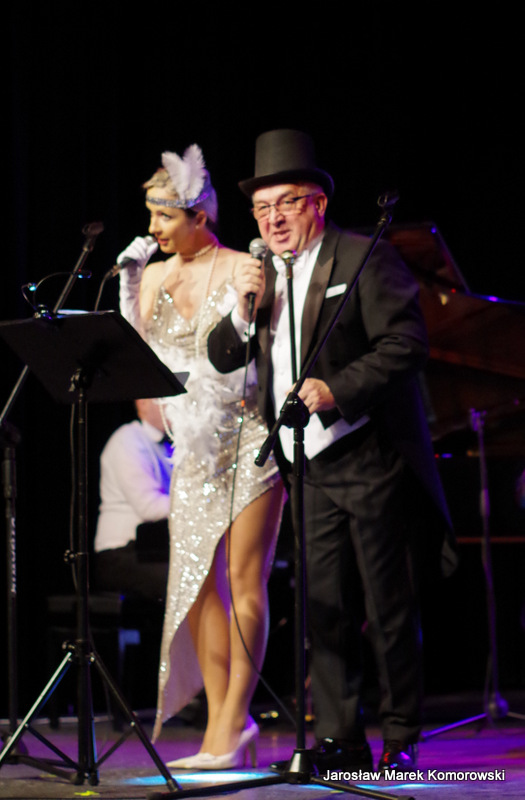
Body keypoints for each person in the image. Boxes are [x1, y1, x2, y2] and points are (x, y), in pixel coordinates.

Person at [208, 129, 457, 773]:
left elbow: (405, 345)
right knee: (325, 607)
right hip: (307, 467)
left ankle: (401, 738)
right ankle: (342, 738)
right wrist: (242, 310)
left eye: (287, 203)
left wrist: (335, 389)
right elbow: (223, 354)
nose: (273, 219)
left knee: (387, 606)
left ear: (318, 202)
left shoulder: (364, 256)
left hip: (370, 455)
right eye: (262, 209)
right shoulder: (262, 275)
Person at [118, 145, 284, 769]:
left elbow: (263, 353)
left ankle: (233, 723)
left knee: (243, 581)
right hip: (190, 449)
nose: (153, 227)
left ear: (198, 216)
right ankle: (221, 727)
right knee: (198, 588)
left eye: (164, 216)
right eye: (151, 215)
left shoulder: (243, 265)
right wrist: (129, 286)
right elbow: (136, 359)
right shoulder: (154, 276)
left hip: (247, 438)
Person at [94, 397, 172, 603]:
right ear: (142, 403)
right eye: (164, 399)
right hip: (120, 555)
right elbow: (150, 508)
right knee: (185, 580)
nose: (173, 404)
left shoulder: (168, 447)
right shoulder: (128, 440)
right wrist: (199, 504)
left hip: (153, 550)